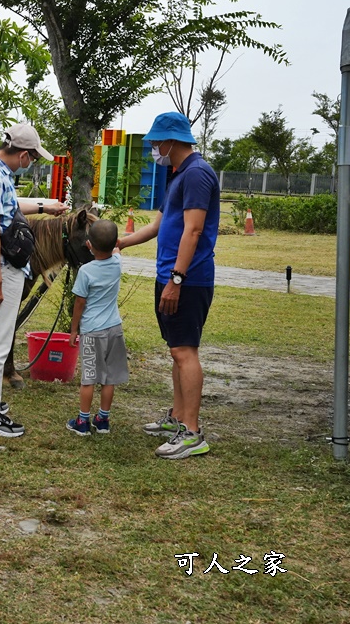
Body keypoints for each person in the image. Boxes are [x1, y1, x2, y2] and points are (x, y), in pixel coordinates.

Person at [118, 111, 220, 459]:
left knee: (185, 351)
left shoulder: (197, 174)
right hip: (169, 277)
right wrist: (121, 242)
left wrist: (177, 279)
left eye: (156, 142)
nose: (154, 149)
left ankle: (192, 432)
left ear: (171, 141)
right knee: (176, 349)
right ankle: (177, 419)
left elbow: (193, 230)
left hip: (187, 280)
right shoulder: (176, 175)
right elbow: (159, 225)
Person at [0, 123, 69, 437]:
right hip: (3, 269)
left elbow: (5, 207)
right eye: (33, 158)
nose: (32, 163)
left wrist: (44, 206)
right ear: (23, 155)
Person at [66, 219, 128, 436]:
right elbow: (118, 248)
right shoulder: (117, 262)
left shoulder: (85, 271)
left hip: (92, 332)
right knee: (109, 378)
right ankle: (103, 419)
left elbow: (79, 303)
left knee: (89, 378)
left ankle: (82, 422)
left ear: (89, 245)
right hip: (114, 329)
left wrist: (74, 330)